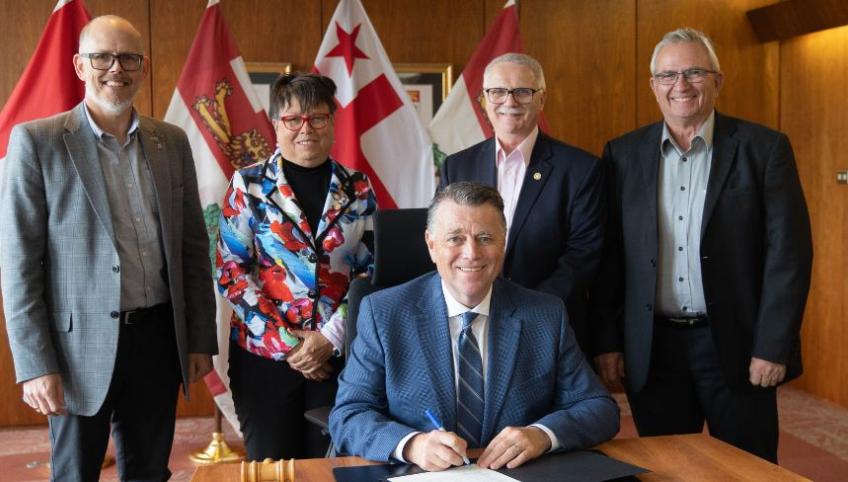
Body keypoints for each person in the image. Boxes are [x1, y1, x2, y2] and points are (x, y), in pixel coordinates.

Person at [0, 15, 217, 480]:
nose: (115, 68)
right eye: (102, 56)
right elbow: (18, 264)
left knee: (149, 472)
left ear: (143, 66)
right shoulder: (37, 143)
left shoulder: (171, 142)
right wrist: (35, 364)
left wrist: (199, 338)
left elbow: (193, 250)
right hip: (77, 350)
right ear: (80, 65)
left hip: (157, 339)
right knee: (76, 473)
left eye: (127, 58)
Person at [593, 28, 813, 462]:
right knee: (666, 469)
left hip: (736, 344)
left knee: (748, 469)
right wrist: (607, 341)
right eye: (668, 75)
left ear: (718, 80)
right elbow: (609, 257)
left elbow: (788, 256)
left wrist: (773, 346)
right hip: (653, 350)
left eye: (694, 72)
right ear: (653, 85)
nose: (681, 85)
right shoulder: (622, 155)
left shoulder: (764, 149)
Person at [330, 182, 618, 472]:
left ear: (503, 242)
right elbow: (348, 415)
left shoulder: (544, 315)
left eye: (485, 238)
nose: (471, 253)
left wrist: (541, 435)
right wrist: (412, 444)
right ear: (431, 245)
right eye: (455, 238)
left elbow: (599, 409)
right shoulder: (384, 314)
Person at [216, 72, 376, 461]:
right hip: (264, 359)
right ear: (276, 124)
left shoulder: (358, 188)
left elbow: (370, 272)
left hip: (338, 356)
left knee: (335, 466)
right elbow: (232, 272)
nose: (306, 129)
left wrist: (327, 339)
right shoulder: (248, 185)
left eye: (318, 118)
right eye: (293, 119)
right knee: (272, 468)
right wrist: (291, 346)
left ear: (332, 123)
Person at [439, 53, 604, 359]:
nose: (509, 101)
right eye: (498, 92)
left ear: (542, 100)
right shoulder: (457, 167)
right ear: (483, 100)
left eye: (523, 91)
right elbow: (446, 241)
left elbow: (584, 254)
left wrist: (527, 308)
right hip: (471, 325)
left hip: (549, 327)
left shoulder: (580, 169)